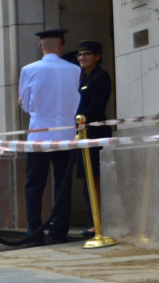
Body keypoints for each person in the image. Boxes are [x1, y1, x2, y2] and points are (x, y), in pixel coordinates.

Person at [18, 29, 81, 244]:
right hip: (66, 135)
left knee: (35, 185)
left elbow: (26, 105)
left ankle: (34, 232)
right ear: (60, 46)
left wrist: (25, 103)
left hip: (39, 135)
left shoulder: (29, 70)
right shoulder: (74, 70)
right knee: (63, 185)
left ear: (40, 47)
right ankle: (59, 231)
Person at [76, 40, 112, 236]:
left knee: (95, 178)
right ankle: (93, 220)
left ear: (97, 56)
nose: (82, 58)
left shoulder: (101, 77)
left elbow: (95, 106)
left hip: (95, 133)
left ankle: (98, 223)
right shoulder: (85, 79)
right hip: (84, 134)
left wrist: (80, 119)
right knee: (86, 182)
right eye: (80, 55)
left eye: (87, 54)